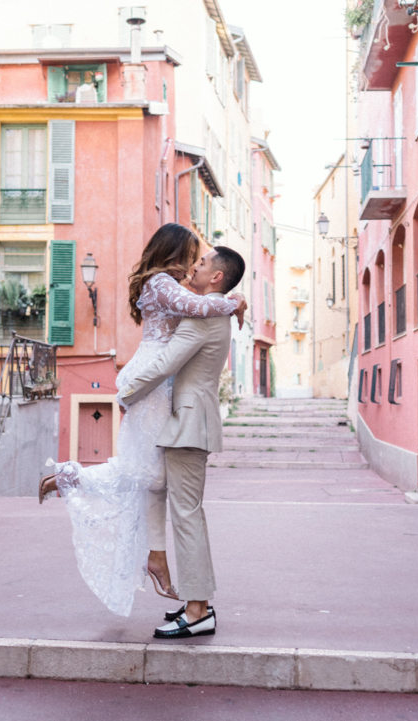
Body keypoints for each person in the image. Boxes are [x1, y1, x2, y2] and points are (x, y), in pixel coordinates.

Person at [37, 225, 246, 617]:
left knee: (154, 480)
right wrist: (234, 303)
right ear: (174, 253)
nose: (193, 265)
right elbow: (198, 312)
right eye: (191, 256)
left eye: (200, 261)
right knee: (149, 477)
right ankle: (72, 479)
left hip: (167, 391)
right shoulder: (161, 283)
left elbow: (199, 311)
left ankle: (157, 557)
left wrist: (231, 300)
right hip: (155, 383)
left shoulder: (176, 289)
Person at [118, 245, 245, 639]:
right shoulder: (214, 310)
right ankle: (195, 604)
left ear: (217, 277)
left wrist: (127, 392)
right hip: (192, 422)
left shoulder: (202, 318)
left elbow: (164, 364)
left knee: (187, 517)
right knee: (187, 514)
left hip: (188, 424)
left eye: (203, 263)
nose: (195, 266)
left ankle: (198, 610)